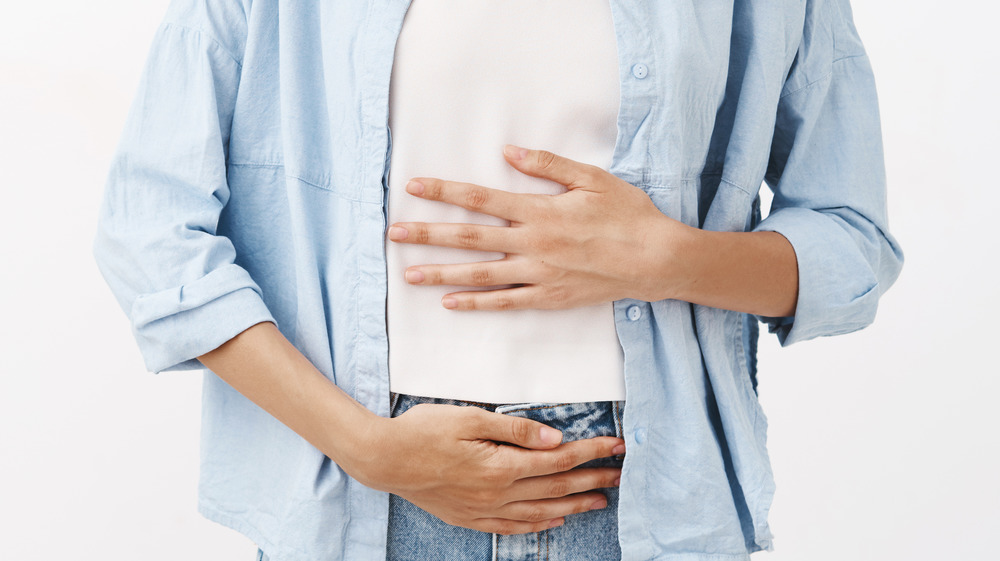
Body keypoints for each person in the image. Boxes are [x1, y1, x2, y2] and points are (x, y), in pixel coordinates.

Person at [91, 0, 903, 560]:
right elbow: (151, 231)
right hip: (368, 498)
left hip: (638, 494)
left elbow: (849, 241)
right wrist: (367, 448)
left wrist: (659, 256)